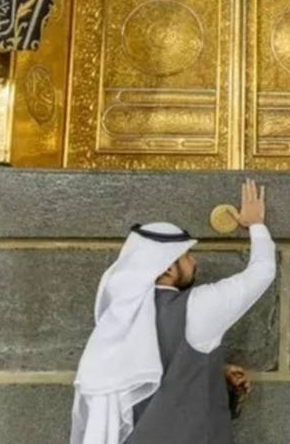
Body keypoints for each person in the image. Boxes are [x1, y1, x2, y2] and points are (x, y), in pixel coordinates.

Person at [71, 179, 276, 444]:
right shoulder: (198, 307)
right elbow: (261, 272)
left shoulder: (116, 321)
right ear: (167, 268)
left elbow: (144, 376)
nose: (194, 262)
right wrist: (256, 224)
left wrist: (211, 370)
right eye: (187, 256)